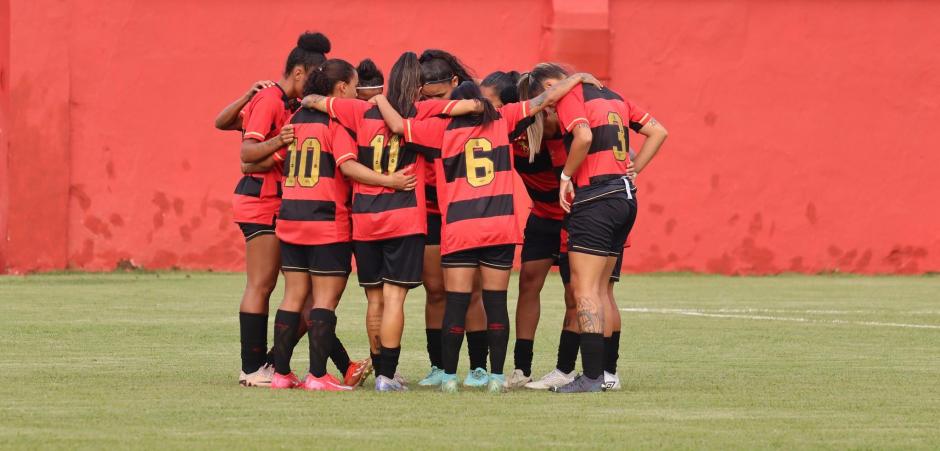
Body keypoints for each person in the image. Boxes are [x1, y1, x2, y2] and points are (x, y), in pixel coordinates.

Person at [376, 72, 600, 393]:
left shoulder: (440, 129)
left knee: (456, 304)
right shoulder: (503, 119)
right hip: (499, 227)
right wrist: (576, 77)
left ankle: (449, 378)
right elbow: (546, 98)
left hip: (460, 228)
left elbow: (399, 125)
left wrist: (379, 98)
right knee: (496, 304)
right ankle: (496, 377)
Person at [299, 52, 480, 391]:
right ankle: (386, 376)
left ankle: (383, 368)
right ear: (419, 87)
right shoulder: (421, 111)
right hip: (404, 219)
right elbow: (466, 106)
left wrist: (366, 98)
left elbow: (313, 100)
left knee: (375, 300)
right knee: (395, 298)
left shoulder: (358, 111)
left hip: (365, 219)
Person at [265, 59, 416, 391]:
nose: (358, 91)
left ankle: (280, 374)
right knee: (324, 301)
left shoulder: (295, 118)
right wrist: (389, 181)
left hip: (290, 217)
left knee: (292, 298)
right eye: (355, 85)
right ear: (342, 88)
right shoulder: (336, 122)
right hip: (325, 221)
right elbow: (347, 167)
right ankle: (318, 376)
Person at [519, 63, 667, 393]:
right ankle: (606, 374)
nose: (548, 107)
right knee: (602, 291)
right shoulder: (614, 96)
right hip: (624, 197)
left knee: (584, 290)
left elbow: (584, 136)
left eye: (545, 100)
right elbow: (659, 132)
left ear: (549, 85)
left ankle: (591, 376)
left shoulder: (570, 96)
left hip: (595, 198)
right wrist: (633, 170)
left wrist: (566, 176)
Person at [214, 32, 335, 388]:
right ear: (299, 72)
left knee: (303, 292)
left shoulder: (288, 103)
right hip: (261, 202)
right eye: (313, 77)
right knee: (262, 284)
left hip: (281, 204)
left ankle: (272, 363)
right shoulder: (269, 99)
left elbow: (225, 123)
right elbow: (246, 155)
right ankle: (252, 367)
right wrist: (278, 141)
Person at [414, 50, 491, 389]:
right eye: (427, 98)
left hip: (466, 212)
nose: (435, 104)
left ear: (456, 84)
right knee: (435, 291)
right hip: (431, 211)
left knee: (472, 292)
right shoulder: (421, 118)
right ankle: (438, 366)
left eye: (441, 96)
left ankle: (478, 367)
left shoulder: (477, 113)